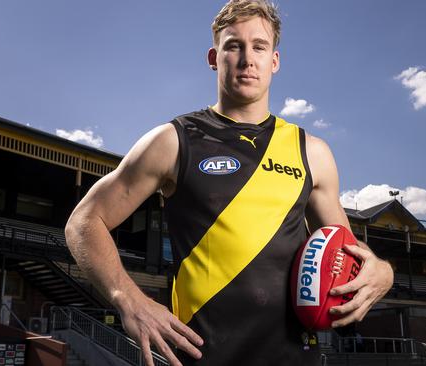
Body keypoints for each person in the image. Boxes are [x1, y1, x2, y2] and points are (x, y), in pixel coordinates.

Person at [64, 1, 394, 365]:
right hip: (200, 356)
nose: (247, 59)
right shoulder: (173, 141)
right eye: (234, 45)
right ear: (213, 56)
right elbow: (84, 222)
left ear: (275, 61)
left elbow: (345, 258)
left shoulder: (311, 152)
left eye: (259, 46)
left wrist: (383, 271)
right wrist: (128, 298)